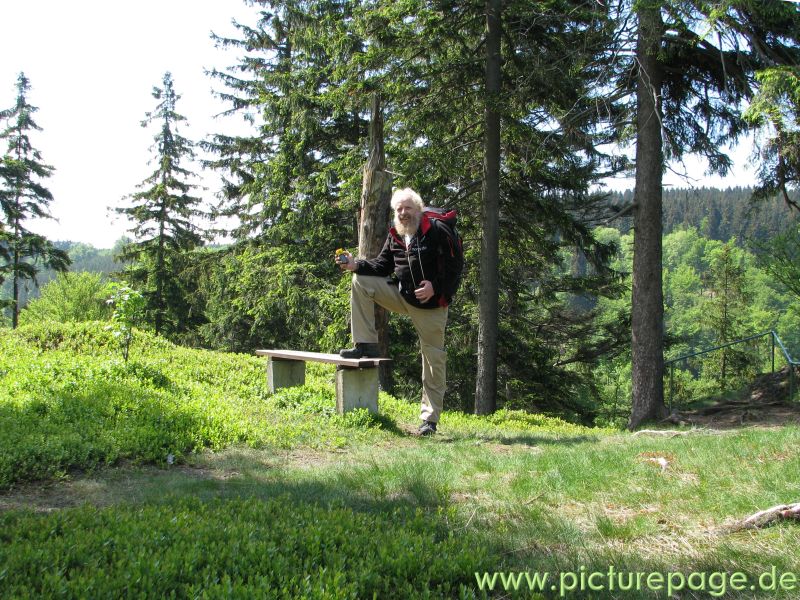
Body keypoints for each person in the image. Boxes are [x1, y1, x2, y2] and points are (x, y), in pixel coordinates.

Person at [336, 188, 459, 436]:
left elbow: (455, 268)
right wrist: (356, 264)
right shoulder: (397, 234)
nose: (403, 213)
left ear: (419, 209)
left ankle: (429, 420)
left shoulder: (437, 230)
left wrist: (435, 288)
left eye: (408, 208)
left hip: (431, 307)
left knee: (433, 361)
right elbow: (382, 266)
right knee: (360, 281)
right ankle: (365, 344)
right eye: (399, 209)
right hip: (403, 297)